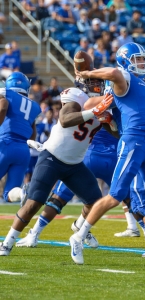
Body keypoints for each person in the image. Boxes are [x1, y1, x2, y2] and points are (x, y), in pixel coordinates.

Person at [69, 42, 145, 266]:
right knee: (115, 196)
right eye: (137, 59)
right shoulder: (123, 81)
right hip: (133, 140)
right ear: (126, 61)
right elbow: (113, 75)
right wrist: (86, 72)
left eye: (143, 59)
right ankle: (78, 236)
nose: (143, 63)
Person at [0, 52, 113, 256]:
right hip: (52, 157)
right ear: (83, 82)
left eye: (100, 81)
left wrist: (112, 119)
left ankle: (79, 228)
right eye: (94, 81)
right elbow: (65, 119)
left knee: (96, 202)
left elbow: (116, 132)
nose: (98, 85)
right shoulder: (75, 95)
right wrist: (94, 113)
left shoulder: (101, 105)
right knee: (33, 202)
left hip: (75, 164)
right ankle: (7, 242)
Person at [0, 72, 41, 202]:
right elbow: (32, 135)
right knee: (9, 193)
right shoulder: (34, 106)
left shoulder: (5, 93)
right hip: (23, 151)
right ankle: (22, 192)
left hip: (5, 144)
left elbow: (3, 107)